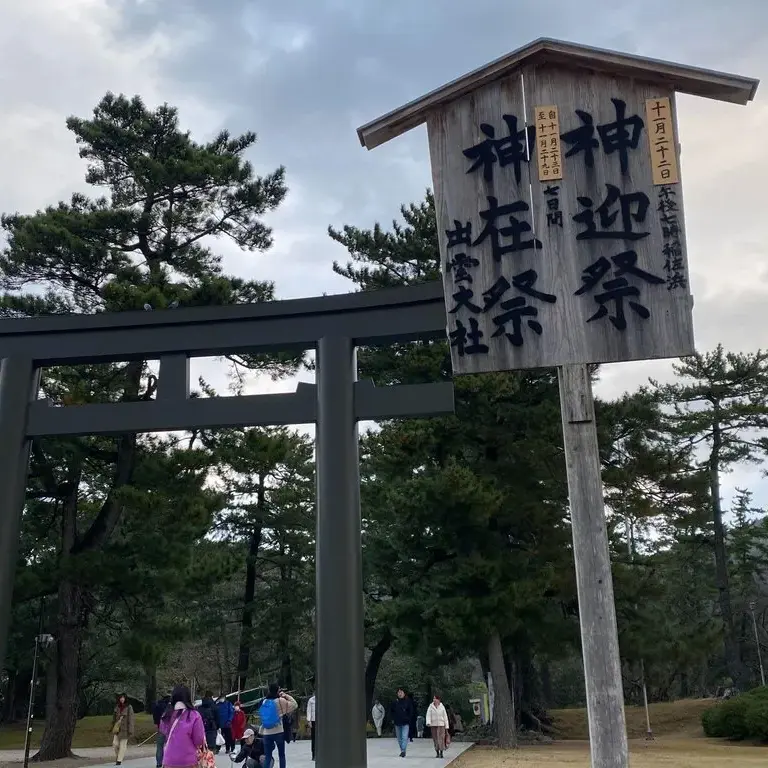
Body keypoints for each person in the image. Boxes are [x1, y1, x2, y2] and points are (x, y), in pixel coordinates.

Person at [160, 685, 206, 768]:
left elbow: (163, 731)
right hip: (188, 760)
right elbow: (199, 740)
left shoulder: (166, 715)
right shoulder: (194, 715)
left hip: (169, 759)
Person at [259, 683, 298, 768]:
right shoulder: (281, 701)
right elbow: (294, 704)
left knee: (267, 757)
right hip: (278, 731)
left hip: (266, 733)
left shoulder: (264, 702)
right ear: (277, 690)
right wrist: (285, 695)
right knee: (281, 755)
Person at [110, 693, 135, 766]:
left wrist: (130, 730)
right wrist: (112, 727)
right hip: (117, 729)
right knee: (115, 744)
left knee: (122, 745)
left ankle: (119, 760)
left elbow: (131, 719)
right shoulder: (117, 707)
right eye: (121, 698)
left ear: (125, 698)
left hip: (125, 729)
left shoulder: (129, 707)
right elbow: (114, 718)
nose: (122, 699)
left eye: (123, 698)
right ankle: (118, 757)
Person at [389, 688, 414, 758]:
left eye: (401, 692)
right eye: (399, 692)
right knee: (399, 738)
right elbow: (391, 711)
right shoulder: (395, 702)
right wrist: (392, 719)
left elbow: (411, 711)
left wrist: (408, 719)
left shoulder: (408, 701)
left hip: (405, 722)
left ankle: (403, 751)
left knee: (404, 737)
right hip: (397, 722)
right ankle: (402, 750)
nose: (400, 694)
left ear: (404, 693)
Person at [426, 694, 449, 758]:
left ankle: (441, 752)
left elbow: (445, 717)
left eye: (435, 698)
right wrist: (428, 722)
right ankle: (437, 752)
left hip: (441, 725)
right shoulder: (431, 706)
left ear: (438, 700)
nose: (434, 700)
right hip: (433, 725)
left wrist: (446, 726)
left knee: (441, 738)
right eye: (433, 698)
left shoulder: (442, 707)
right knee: (435, 739)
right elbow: (428, 715)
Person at [153, 695, 171, 768]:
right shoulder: (170, 707)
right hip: (169, 730)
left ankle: (158, 763)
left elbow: (155, 715)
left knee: (159, 746)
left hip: (160, 728)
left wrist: (157, 723)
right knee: (168, 746)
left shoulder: (158, 705)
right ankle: (166, 762)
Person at [306, 692, 316, 760]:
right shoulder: (311, 700)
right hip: (314, 720)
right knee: (314, 738)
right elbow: (308, 710)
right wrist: (309, 720)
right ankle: (314, 755)